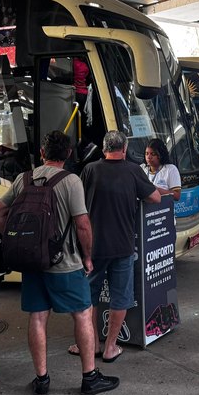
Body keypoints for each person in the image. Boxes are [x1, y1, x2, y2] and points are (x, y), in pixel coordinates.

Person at [0, 131, 120, 395]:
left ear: (41, 153)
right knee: (83, 315)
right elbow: (83, 224)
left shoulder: (23, 179)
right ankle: (89, 377)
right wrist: (87, 257)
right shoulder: (70, 181)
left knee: (37, 318)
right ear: (69, 154)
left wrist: (15, 243)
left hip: (33, 262)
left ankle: (41, 380)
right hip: (65, 264)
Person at [80, 130, 160, 363]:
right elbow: (154, 198)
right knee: (120, 297)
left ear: (104, 148)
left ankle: (93, 343)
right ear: (124, 149)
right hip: (123, 246)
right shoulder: (133, 170)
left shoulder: (90, 170)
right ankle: (111, 347)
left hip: (93, 247)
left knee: (90, 296)